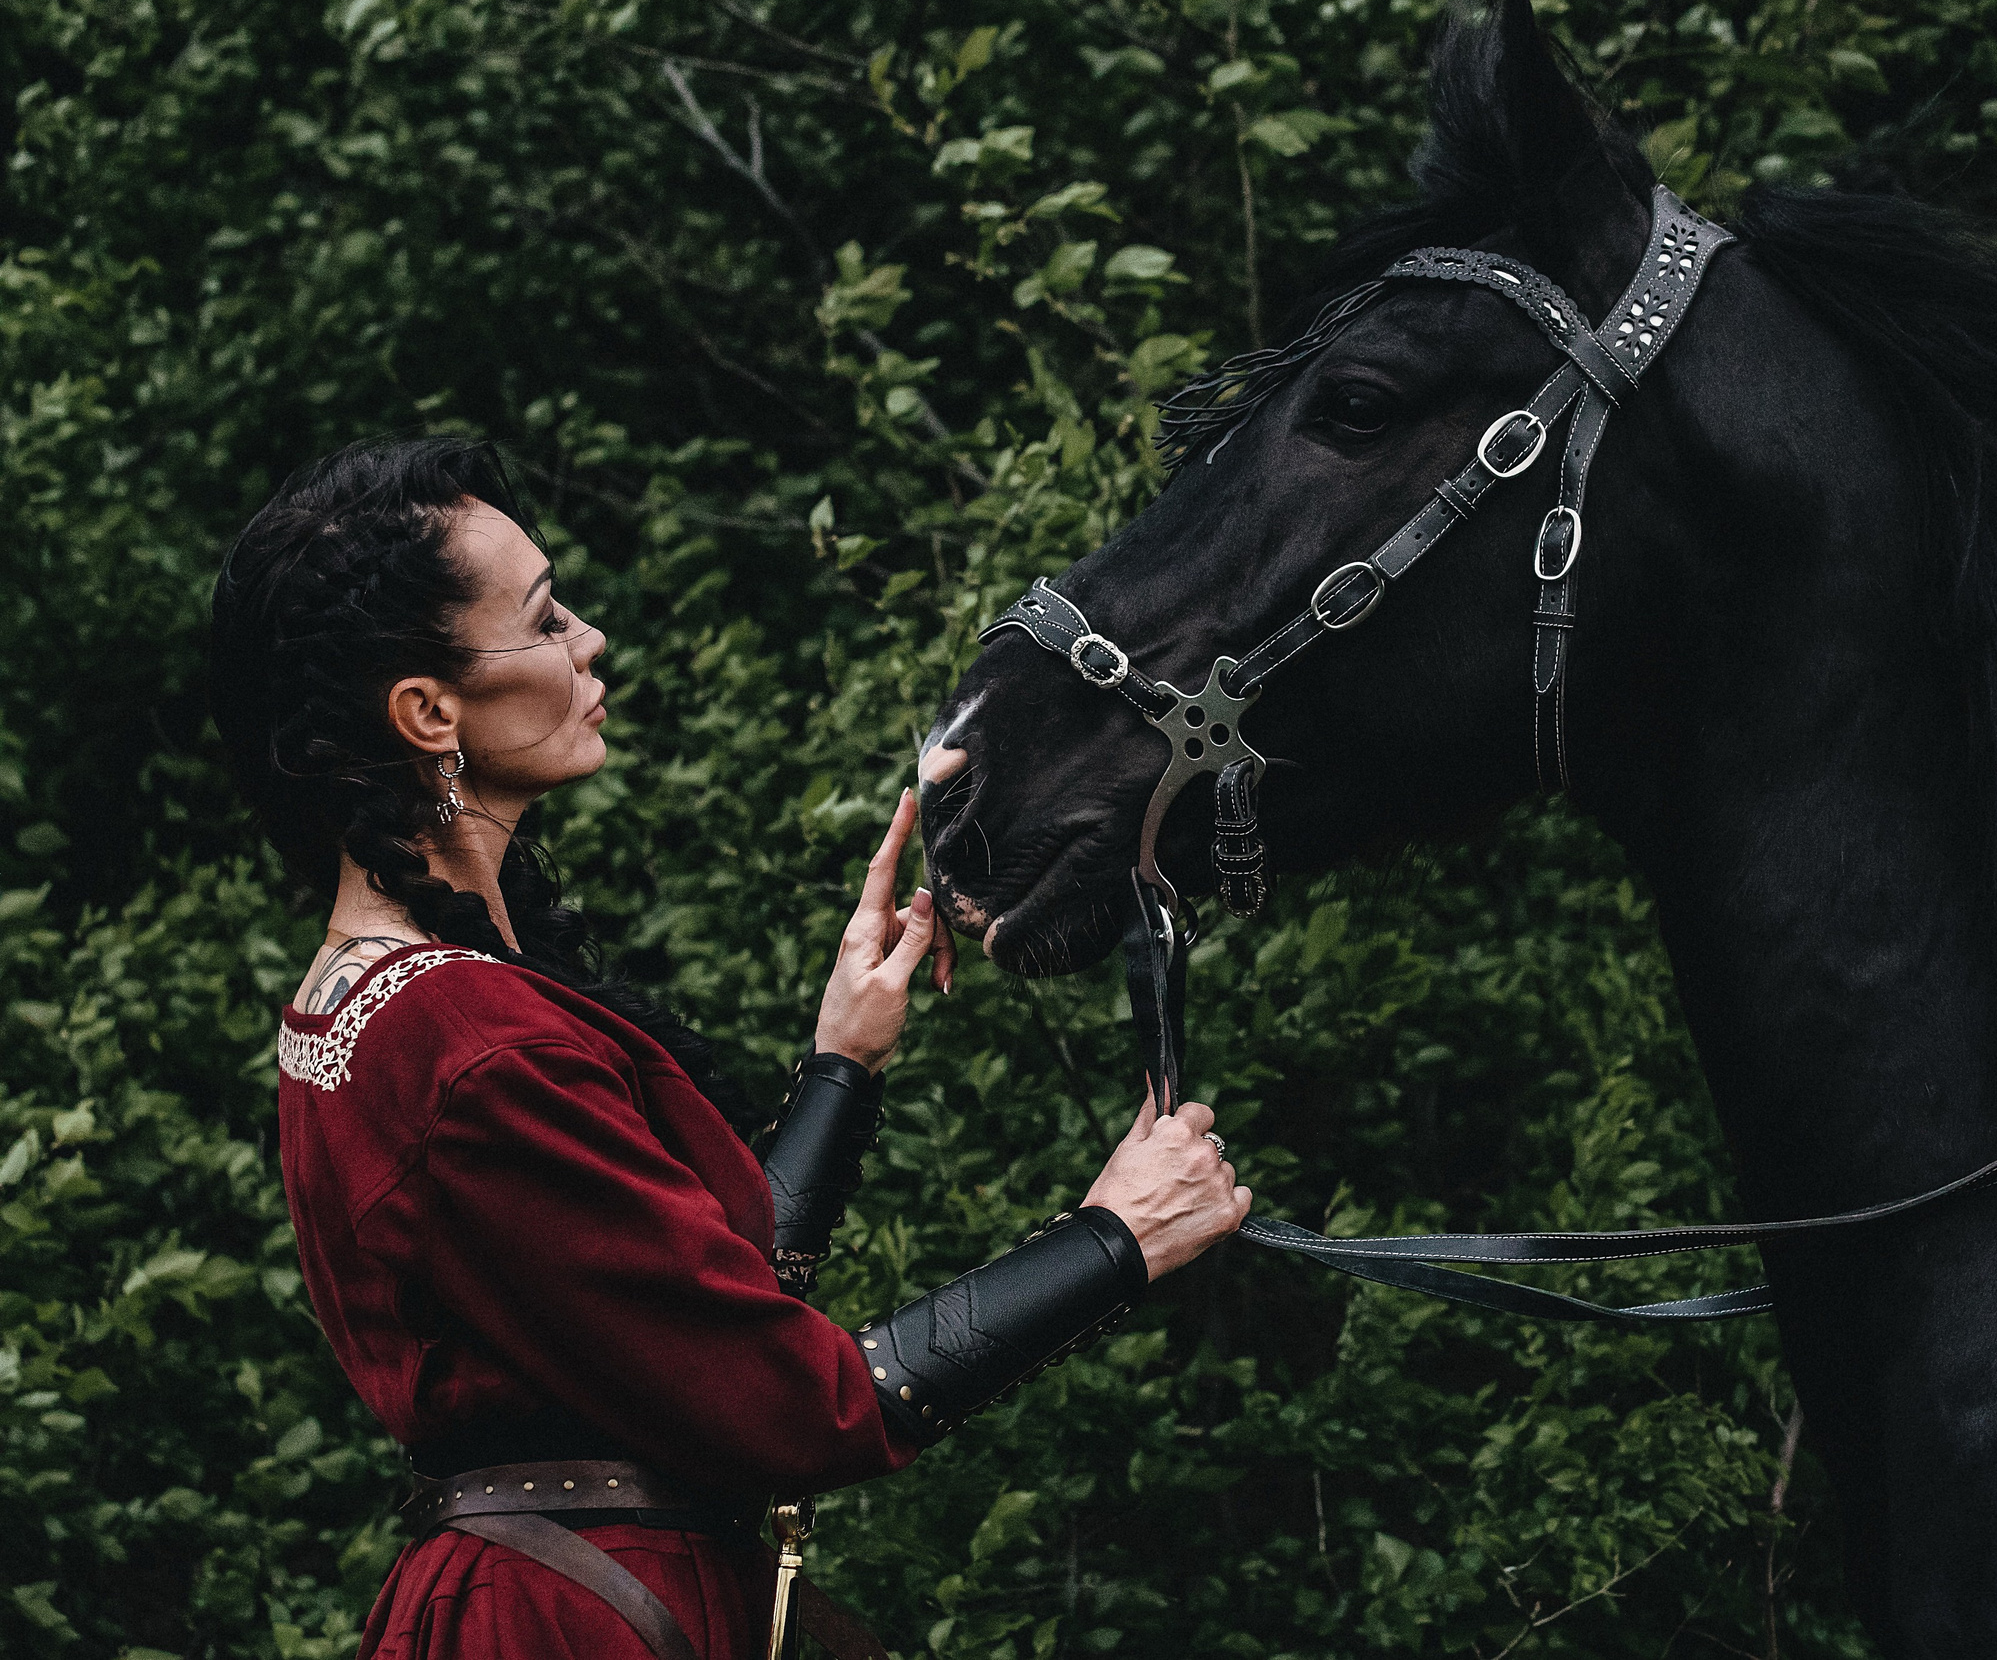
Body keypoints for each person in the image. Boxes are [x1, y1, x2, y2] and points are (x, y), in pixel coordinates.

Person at [207, 438, 1250, 1660]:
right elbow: (799, 1405)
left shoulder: (381, 997)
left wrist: (842, 1062)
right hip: (569, 1624)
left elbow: (703, 1303)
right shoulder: (465, 1038)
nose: (589, 641)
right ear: (428, 711)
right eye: (545, 621)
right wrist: (1115, 1241)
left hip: (574, 1591)